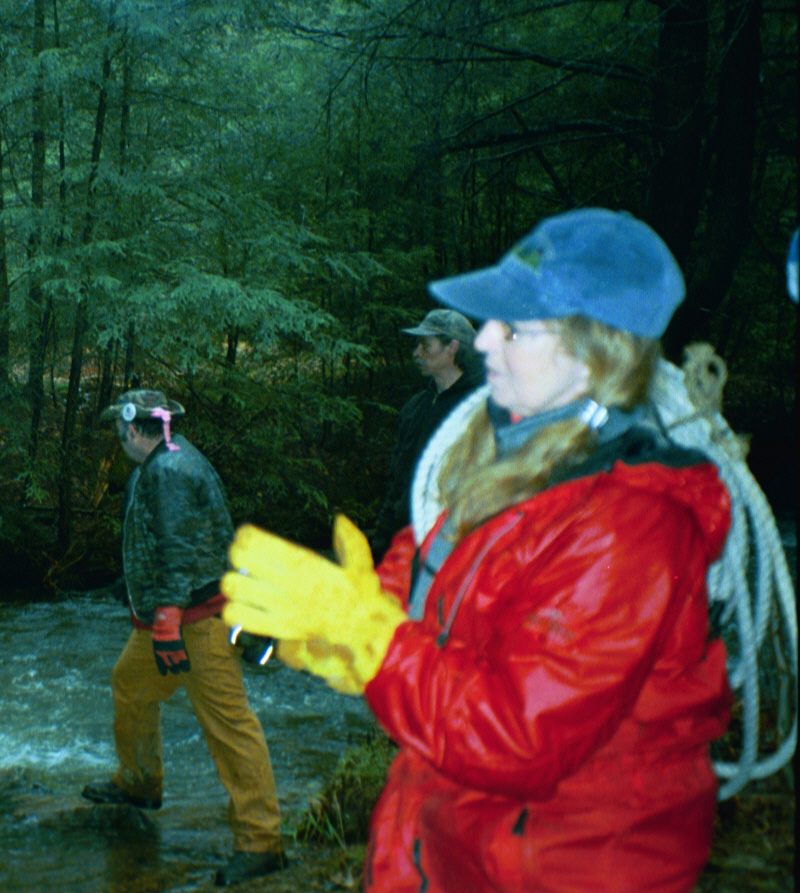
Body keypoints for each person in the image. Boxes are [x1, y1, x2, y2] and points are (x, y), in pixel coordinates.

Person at [223, 208, 733, 892]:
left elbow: (520, 738)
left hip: (565, 864)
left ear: (597, 351)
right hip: (455, 841)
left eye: (515, 327)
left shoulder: (632, 527)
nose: (485, 339)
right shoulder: (497, 464)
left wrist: (371, 642)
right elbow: (423, 589)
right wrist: (337, 613)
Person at [80, 389, 286, 887]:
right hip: (171, 615)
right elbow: (182, 540)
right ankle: (140, 783)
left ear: (133, 429)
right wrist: (136, 588)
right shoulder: (173, 460)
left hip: (195, 623)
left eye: (119, 431)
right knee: (129, 685)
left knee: (229, 726)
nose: (118, 440)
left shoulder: (168, 473)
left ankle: (261, 844)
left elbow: (177, 550)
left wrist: (168, 618)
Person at [367, 308, 482, 559]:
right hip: (405, 550)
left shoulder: (481, 410)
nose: (415, 352)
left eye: (425, 345)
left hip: (454, 554)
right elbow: (397, 484)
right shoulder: (414, 408)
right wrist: (381, 547)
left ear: (452, 347)